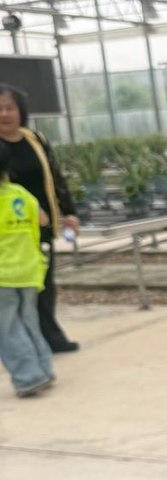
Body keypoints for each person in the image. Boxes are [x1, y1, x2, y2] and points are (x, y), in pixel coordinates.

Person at [0, 84, 80, 352]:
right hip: (9, 230)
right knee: (13, 288)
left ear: (20, 111)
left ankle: (49, 337)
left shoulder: (35, 139)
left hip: (40, 225)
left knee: (44, 281)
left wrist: (69, 212)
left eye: (9, 108)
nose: (4, 114)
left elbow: (55, 177)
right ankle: (23, 343)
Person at [0, 140, 54, 397]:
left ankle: (28, 377)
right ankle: (44, 369)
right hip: (30, 270)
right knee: (30, 322)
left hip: (3, 276)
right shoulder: (20, 193)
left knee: (8, 328)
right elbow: (43, 219)